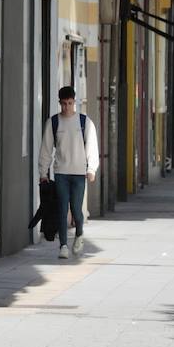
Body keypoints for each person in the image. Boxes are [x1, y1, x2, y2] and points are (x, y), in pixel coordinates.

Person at [39, 85, 100, 260]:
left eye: (70, 103)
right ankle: (63, 246)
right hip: (61, 173)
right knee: (62, 208)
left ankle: (79, 233)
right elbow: (46, 149)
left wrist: (91, 169)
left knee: (77, 210)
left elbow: (92, 147)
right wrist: (43, 172)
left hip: (79, 174)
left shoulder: (84, 122)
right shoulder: (54, 122)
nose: (67, 107)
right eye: (64, 104)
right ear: (59, 103)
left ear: (74, 102)